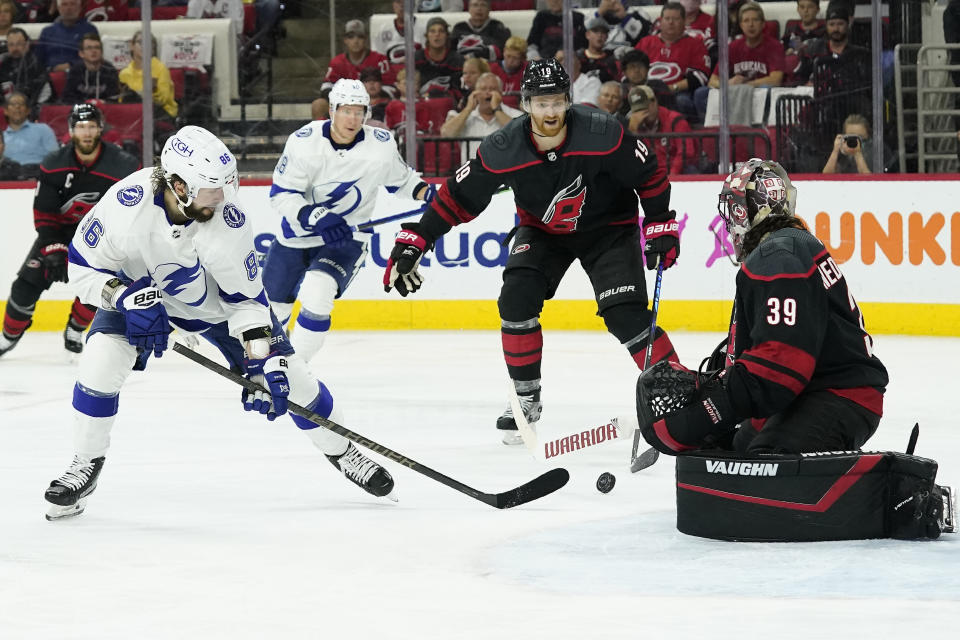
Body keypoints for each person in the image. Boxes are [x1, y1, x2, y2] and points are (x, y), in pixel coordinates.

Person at [43, 125, 397, 521]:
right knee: (98, 364)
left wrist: (262, 357)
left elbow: (245, 302)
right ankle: (85, 465)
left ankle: (342, 449)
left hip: (216, 311)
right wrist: (121, 296)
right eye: (213, 188)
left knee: (294, 380)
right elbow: (82, 268)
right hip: (139, 298)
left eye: (228, 185)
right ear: (178, 185)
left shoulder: (227, 219)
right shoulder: (125, 206)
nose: (224, 196)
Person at [382, 58, 681, 445]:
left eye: (557, 102)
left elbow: (650, 172)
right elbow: (457, 198)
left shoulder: (603, 133)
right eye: (542, 103)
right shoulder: (504, 147)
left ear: (568, 101)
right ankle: (525, 400)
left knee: (625, 315)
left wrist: (659, 222)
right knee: (516, 299)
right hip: (542, 231)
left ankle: (678, 390)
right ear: (526, 104)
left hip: (610, 229)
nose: (551, 111)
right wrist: (419, 237)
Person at [637, 158, 888, 456]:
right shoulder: (788, 246)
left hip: (836, 395)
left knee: (765, 465)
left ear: (745, 212)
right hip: (815, 390)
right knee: (734, 453)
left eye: (733, 210)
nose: (730, 223)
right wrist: (720, 382)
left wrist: (714, 405)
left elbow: (782, 363)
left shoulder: (778, 255)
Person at [262, 79, 437, 365]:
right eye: (346, 111)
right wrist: (317, 215)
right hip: (296, 236)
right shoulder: (304, 143)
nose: (353, 118)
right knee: (271, 310)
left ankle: (295, 366)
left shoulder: (379, 146)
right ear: (331, 111)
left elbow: (402, 182)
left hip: (346, 240)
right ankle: (265, 362)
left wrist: (427, 193)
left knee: (318, 293)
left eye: (360, 112)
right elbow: (281, 196)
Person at [0, 103, 140, 359]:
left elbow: (129, 213)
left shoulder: (123, 166)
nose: (86, 132)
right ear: (71, 131)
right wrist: (54, 248)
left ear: (100, 128)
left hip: (101, 240)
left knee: (98, 288)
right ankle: (8, 335)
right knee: (24, 286)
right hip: (59, 235)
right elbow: (44, 212)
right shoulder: (54, 163)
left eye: (91, 126)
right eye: (80, 127)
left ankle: (75, 330)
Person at [635, 2, 709, 118]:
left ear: (684, 21)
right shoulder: (646, 42)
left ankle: (682, 133)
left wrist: (670, 88)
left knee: (682, 101)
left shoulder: (695, 44)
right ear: (660, 21)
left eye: (675, 19)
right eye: (667, 18)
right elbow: (631, 70)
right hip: (646, 90)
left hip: (677, 92)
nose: (670, 22)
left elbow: (700, 77)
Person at [627, 84, 695, 175]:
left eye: (646, 107)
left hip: (677, 175)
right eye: (639, 110)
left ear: (655, 101)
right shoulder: (633, 126)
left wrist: (673, 176)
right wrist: (632, 132)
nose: (644, 113)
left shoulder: (675, 120)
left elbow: (686, 153)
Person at [118, 30, 179, 121]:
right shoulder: (124, 74)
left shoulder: (161, 69)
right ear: (132, 46)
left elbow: (162, 100)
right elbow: (121, 102)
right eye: (141, 42)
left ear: (153, 48)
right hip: (133, 115)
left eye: (149, 43)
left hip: (161, 116)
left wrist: (153, 90)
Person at [322, 19, 393, 93]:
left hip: (374, 101)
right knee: (319, 104)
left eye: (360, 36)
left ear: (365, 39)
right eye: (351, 37)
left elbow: (391, 87)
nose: (356, 41)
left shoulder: (380, 60)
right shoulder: (337, 62)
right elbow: (327, 85)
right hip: (345, 102)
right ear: (345, 40)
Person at [822, 113, 896, 174]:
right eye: (851, 138)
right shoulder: (842, 153)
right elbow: (825, 178)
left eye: (861, 138)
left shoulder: (878, 151)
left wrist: (858, 154)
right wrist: (835, 151)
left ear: (869, 137)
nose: (855, 142)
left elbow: (871, 183)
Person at [37, 0, 98, 72]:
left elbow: (95, 56)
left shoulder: (89, 30)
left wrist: (70, 65)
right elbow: (38, 59)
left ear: (79, 7)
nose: (69, 8)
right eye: (64, 4)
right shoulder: (47, 32)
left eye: (73, 4)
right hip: (51, 75)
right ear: (58, 8)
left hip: (81, 74)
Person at [1, 92, 58, 165]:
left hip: (38, 172)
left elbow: (55, 157)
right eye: (13, 104)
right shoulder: (2, 138)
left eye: (21, 104)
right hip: (9, 173)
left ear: (28, 111)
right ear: (6, 111)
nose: (17, 106)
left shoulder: (43, 129)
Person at [0, 28, 52, 107]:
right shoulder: (3, 66)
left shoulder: (36, 66)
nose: (15, 48)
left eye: (19, 44)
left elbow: (44, 95)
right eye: (11, 44)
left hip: (30, 110)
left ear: (27, 44)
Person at [62, 31, 120, 103]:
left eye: (97, 48)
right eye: (89, 48)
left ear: (101, 52)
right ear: (81, 53)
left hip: (104, 110)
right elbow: (68, 98)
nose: (93, 51)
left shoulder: (110, 70)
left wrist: (100, 103)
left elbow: (114, 98)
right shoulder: (75, 71)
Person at [415, 16, 463, 99]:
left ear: (447, 36)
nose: (437, 35)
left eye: (441, 31)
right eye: (432, 31)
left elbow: (459, 89)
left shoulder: (457, 59)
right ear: (427, 36)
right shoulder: (417, 57)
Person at [372, 0, 424, 72]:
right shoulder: (383, 30)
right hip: (390, 76)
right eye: (398, 2)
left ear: (413, 5)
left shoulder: (423, 30)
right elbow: (378, 58)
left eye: (406, 3)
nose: (402, 6)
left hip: (417, 74)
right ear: (393, 5)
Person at [578, 17, 620, 84]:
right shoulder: (578, 58)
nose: (600, 35)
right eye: (595, 31)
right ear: (587, 35)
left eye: (603, 32)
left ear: (607, 37)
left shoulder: (612, 59)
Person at [491, 35, 526, 109]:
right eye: (508, 56)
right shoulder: (493, 69)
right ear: (504, 51)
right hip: (496, 108)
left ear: (523, 58)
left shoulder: (528, 70)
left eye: (515, 58)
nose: (510, 61)